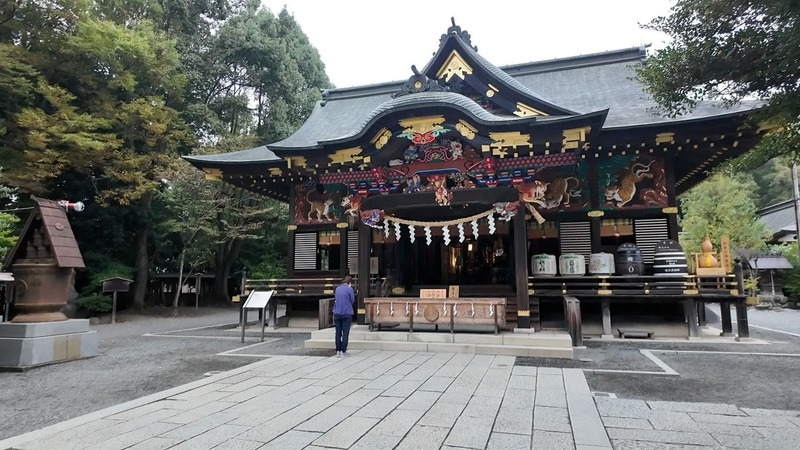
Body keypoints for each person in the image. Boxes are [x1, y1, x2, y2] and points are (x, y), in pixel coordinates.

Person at [333, 275, 355, 357]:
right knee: (345, 332)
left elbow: (336, 298)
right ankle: (343, 350)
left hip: (337, 312)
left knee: (338, 332)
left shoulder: (337, 289)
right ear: (349, 282)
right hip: (347, 312)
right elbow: (352, 300)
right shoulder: (349, 289)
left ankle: (337, 350)